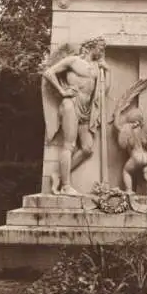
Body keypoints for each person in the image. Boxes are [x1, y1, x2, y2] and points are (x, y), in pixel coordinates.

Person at [42, 37, 111, 196]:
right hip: (71, 104)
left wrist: (108, 70)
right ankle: (66, 186)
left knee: (87, 148)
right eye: (100, 48)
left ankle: (58, 175)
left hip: (86, 109)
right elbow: (48, 72)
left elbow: (104, 91)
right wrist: (61, 91)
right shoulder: (73, 61)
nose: (101, 52)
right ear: (91, 47)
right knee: (69, 144)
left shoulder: (95, 68)